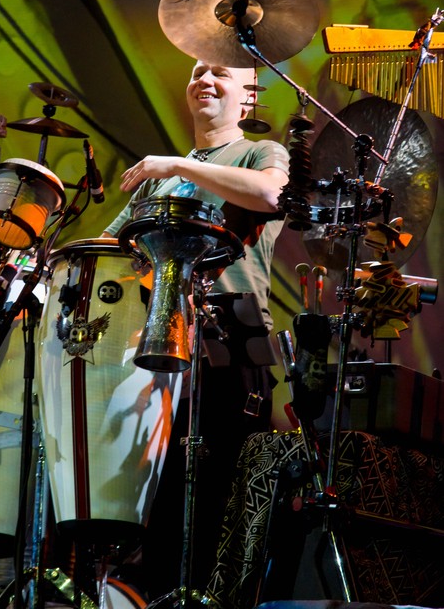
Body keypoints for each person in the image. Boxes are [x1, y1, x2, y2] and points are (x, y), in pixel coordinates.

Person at [101, 58, 289, 600]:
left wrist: (178, 166)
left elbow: (270, 195)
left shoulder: (259, 152)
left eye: (220, 74)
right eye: (197, 72)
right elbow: (108, 252)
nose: (204, 80)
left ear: (249, 97)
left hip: (228, 342)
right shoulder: (161, 175)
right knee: (158, 501)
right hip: (156, 345)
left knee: (215, 501)